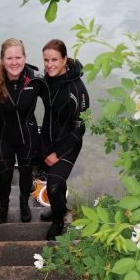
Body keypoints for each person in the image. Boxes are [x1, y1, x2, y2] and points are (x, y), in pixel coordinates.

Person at [0, 38, 48, 224]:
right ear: (2, 59)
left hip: (28, 136)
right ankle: (3, 207)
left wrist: (70, 75)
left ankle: (24, 205)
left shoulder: (36, 79)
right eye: (9, 58)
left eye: (18, 57)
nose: (14, 62)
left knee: (26, 174)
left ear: (25, 57)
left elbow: (54, 104)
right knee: (4, 177)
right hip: (3, 136)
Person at [40, 39, 89, 241]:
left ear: (64, 60)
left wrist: (58, 153)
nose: (49, 65)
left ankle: (58, 221)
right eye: (46, 60)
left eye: (54, 60)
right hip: (49, 138)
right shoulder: (47, 79)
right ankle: (60, 208)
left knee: (52, 187)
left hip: (69, 143)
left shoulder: (77, 89)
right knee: (57, 181)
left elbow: (81, 128)